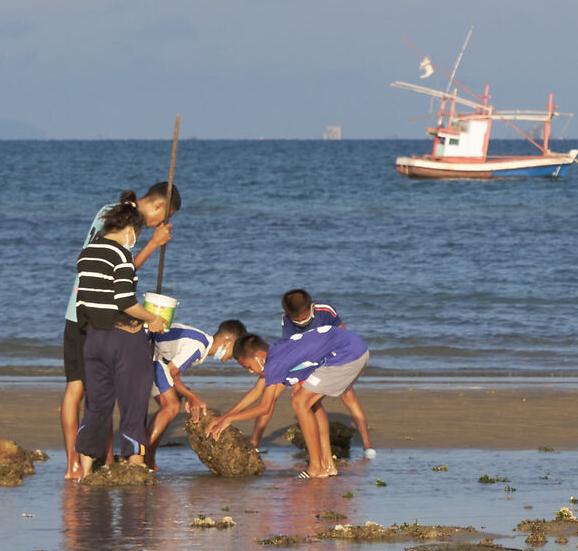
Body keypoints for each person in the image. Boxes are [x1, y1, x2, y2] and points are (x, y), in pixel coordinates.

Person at [59, 182, 179, 479]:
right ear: (158, 206)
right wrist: (152, 245)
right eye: (162, 218)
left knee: (94, 391)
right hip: (91, 316)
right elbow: (118, 274)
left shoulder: (113, 214)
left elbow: (105, 267)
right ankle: (75, 462)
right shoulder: (122, 222)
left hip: (85, 310)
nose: (157, 224)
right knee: (85, 389)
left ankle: (94, 461)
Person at [207, 322, 369, 479]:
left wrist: (229, 419)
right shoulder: (275, 354)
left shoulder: (274, 364)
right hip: (352, 347)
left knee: (300, 402)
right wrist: (224, 417)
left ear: (259, 358)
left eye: (248, 367)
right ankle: (327, 465)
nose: (250, 372)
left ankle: (316, 467)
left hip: (347, 354)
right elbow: (256, 392)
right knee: (311, 403)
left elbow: (264, 407)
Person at [257, 289, 377, 459]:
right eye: (296, 320)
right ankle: (256, 442)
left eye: (304, 319)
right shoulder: (287, 320)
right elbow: (292, 347)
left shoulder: (325, 310)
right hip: (309, 362)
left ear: (312, 307)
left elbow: (343, 334)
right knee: (284, 394)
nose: (301, 322)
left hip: (335, 360)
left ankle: (367, 444)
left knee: (349, 397)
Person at [144, 318, 246, 465]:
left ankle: (149, 458)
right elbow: (171, 372)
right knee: (171, 406)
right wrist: (191, 396)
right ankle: (143, 456)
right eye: (235, 351)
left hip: (155, 356)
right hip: (147, 352)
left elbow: (169, 369)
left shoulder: (200, 344)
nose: (234, 357)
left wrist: (187, 394)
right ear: (227, 341)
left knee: (171, 403)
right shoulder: (199, 345)